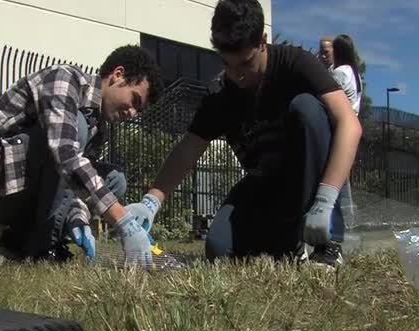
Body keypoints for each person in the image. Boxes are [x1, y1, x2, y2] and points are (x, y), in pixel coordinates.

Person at [126, 0, 362, 268]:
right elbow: (188, 149)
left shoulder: (296, 64)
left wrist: (325, 199)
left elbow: (349, 124)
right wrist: (151, 201)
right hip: (264, 186)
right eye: (228, 64)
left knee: (308, 108)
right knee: (219, 249)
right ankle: (289, 243)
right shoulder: (221, 95)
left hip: (306, 178)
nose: (237, 75)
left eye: (246, 63)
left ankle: (326, 244)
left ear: (262, 41)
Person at [0, 45, 163, 266]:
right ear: (117, 75)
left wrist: (78, 219)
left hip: (27, 187)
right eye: (134, 101)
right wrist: (123, 220)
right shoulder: (65, 79)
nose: (131, 113)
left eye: (138, 111)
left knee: (114, 178)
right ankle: (41, 245)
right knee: (76, 131)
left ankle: (20, 243)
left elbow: (75, 186)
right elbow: (65, 155)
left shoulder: (99, 127)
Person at [331, 34, 362, 115]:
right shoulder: (355, 74)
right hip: (354, 120)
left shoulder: (340, 72)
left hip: (343, 119)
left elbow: (331, 99)